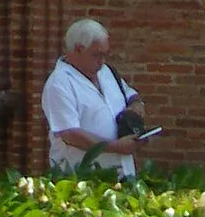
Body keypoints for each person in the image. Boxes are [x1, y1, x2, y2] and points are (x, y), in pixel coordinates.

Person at [40, 19, 149, 177]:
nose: (101, 61)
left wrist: (136, 104)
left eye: (104, 55)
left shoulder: (106, 71)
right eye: (96, 55)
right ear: (77, 49)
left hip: (123, 173)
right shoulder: (59, 84)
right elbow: (70, 134)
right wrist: (115, 147)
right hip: (83, 178)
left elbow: (129, 93)